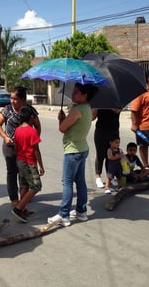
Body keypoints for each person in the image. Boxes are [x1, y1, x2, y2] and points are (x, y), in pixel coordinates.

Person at [47, 83, 98, 227]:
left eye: (76, 93)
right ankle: (81, 211)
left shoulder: (77, 110)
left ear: (85, 95)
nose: (73, 95)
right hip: (82, 149)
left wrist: (61, 119)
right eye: (74, 92)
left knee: (67, 182)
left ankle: (63, 215)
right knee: (80, 181)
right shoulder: (88, 108)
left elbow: (62, 128)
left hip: (73, 150)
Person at [0, 86, 41, 208]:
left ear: (23, 100)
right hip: (10, 146)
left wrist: (34, 139)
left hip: (25, 148)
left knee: (24, 172)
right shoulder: (7, 110)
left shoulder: (30, 110)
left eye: (16, 99)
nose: (12, 101)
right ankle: (14, 198)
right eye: (11, 98)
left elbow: (37, 125)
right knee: (12, 172)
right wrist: (5, 137)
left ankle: (23, 196)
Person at [11, 106, 45, 223]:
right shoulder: (32, 131)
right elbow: (36, 150)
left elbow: (15, 147)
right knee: (36, 186)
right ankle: (19, 208)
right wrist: (41, 165)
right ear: (32, 117)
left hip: (20, 160)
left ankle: (23, 207)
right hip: (29, 161)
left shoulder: (17, 130)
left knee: (24, 185)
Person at [92, 108, 121, 189]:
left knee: (111, 155)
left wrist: (110, 105)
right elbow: (92, 117)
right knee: (100, 155)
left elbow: (117, 110)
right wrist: (96, 107)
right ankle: (98, 177)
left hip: (114, 131)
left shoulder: (117, 100)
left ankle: (110, 177)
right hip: (101, 131)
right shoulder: (100, 101)